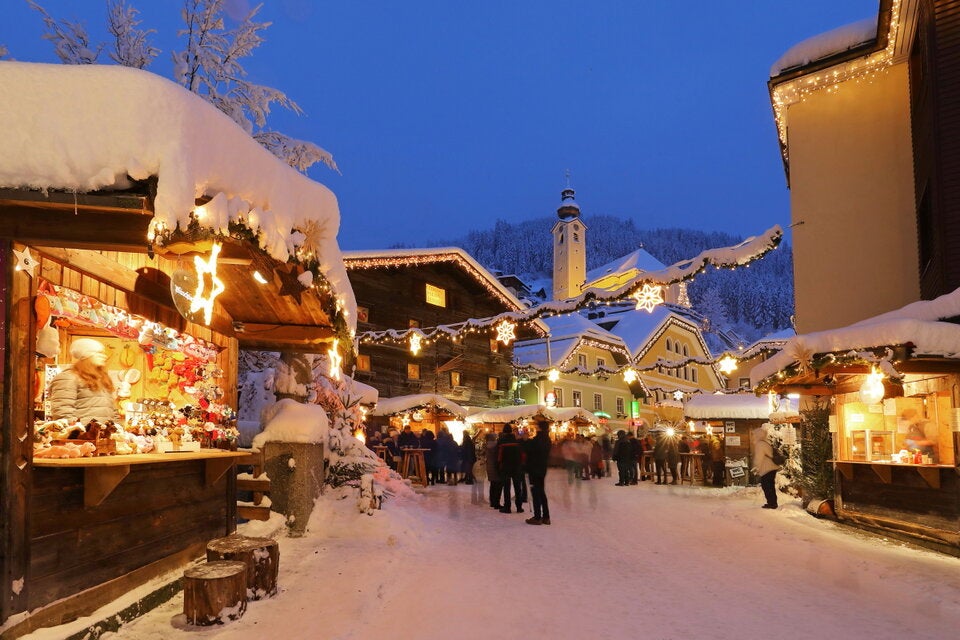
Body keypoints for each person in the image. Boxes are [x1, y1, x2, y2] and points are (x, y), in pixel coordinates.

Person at [47, 338, 119, 424]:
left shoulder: (102, 379)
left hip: (102, 435)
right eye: (98, 353)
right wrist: (78, 432)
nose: (104, 356)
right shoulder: (68, 377)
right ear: (85, 355)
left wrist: (116, 428)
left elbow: (112, 410)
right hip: (82, 435)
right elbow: (63, 412)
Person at [524, 420, 552, 525]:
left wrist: (525, 440)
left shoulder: (537, 440)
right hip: (542, 468)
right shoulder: (547, 439)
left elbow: (529, 450)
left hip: (534, 468)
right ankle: (546, 516)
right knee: (541, 491)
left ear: (540, 428)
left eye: (537, 426)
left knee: (536, 492)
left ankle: (537, 517)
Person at [496, 425, 525, 513]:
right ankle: (519, 507)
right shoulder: (517, 441)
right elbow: (522, 454)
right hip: (517, 466)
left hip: (506, 467)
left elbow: (499, 456)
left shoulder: (501, 441)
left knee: (506, 487)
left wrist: (498, 465)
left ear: (504, 431)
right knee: (517, 487)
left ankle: (507, 507)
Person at [752, 425, 781, 509]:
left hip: (767, 469)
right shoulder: (765, 442)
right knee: (770, 486)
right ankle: (773, 502)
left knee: (766, 486)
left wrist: (756, 467)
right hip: (771, 468)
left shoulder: (760, 444)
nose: (753, 436)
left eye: (754, 434)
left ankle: (771, 503)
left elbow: (759, 457)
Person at [484, 432, 503, 509]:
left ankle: (492, 501)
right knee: (498, 485)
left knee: (493, 485)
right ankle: (496, 503)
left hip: (490, 467)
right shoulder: (496, 445)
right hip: (495, 467)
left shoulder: (487, 445)